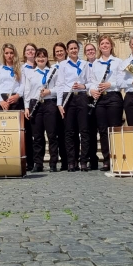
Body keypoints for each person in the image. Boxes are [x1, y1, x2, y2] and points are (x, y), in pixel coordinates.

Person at [88, 36, 122, 171]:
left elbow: (122, 81)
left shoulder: (118, 62)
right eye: (102, 43)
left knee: (114, 129)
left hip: (114, 97)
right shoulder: (95, 63)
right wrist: (92, 91)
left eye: (107, 43)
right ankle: (107, 159)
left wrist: (110, 84)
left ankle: (117, 158)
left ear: (111, 46)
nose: (105, 45)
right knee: (102, 130)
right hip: (100, 99)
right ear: (99, 46)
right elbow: (92, 81)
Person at [57, 39, 90, 172]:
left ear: (78, 49)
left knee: (84, 130)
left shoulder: (85, 64)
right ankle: (71, 161)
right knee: (69, 131)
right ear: (67, 51)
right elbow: (60, 84)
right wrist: (59, 104)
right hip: (68, 97)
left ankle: (84, 161)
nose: (73, 50)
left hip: (81, 96)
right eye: (71, 49)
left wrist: (83, 86)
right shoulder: (63, 65)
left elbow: (90, 82)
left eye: (75, 48)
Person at [24, 48, 59, 172]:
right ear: (35, 58)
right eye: (39, 56)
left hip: (50, 103)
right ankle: (38, 163)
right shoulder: (30, 73)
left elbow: (59, 88)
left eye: (43, 56)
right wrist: (26, 107)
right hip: (35, 104)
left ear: (47, 58)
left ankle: (53, 163)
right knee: (37, 136)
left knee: (52, 135)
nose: (41, 59)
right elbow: (27, 91)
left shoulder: (53, 71)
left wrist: (49, 91)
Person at [82, 42, 100, 169]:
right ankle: (92, 158)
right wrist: (90, 91)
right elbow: (83, 83)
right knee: (90, 131)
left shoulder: (100, 63)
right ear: (85, 53)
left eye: (92, 49)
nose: (90, 52)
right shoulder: (83, 66)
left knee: (102, 129)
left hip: (101, 98)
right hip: (89, 99)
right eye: (87, 50)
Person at [52, 42, 69, 170]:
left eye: (61, 51)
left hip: (68, 100)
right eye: (57, 51)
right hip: (55, 102)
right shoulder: (52, 68)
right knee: (59, 132)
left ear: (65, 51)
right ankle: (63, 160)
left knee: (68, 131)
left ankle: (69, 160)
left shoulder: (70, 65)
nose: (59, 53)